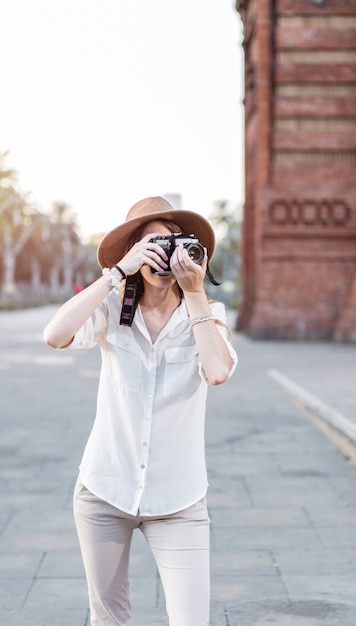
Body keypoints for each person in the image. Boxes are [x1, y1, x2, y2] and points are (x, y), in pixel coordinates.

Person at [43, 196, 237, 626]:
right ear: (133, 252)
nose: (162, 254)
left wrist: (195, 293)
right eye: (150, 245)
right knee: (108, 618)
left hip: (179, 501)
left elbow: (218, 370)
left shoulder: (206, 314)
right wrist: (116, 274)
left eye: (172, 244)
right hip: (104, 491)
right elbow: (55, 335)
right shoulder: (111, 311)